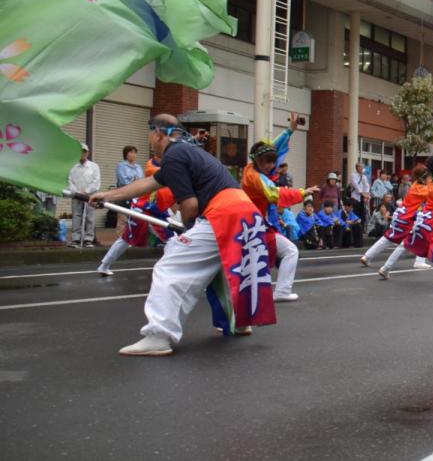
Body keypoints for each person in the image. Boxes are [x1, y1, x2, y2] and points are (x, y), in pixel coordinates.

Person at [87, 114, 276, 356]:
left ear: (158, 133)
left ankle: (159, 335)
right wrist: (108, 196)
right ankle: (239, 322)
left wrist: (189, 229)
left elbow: (190, 205)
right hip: (246, 213)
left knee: (171, 267)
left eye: (150, 134)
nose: (150, 140)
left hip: (223, 214)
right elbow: (148, 184)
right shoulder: (188, 152)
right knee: (221, 268)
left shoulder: (174, 156)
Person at [240, 122, 314, 302]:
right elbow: (274, 193)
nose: (272, 165)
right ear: (257, 159)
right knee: (289, 251)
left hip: (252, 223)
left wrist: (289, 131)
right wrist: (302, 193)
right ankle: (280, 291)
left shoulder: (253, 167)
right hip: (251, 225)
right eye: (268, 162)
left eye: (273, 161)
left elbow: (272, 148)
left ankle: (271, 292)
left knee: (252, 262)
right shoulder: (255, 177)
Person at [97, 158, 176, 277]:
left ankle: (104, 265)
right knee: (171, 240)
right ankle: (168, 271)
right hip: (145, 210)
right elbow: (152, 171)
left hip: (144, 209)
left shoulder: (165, 177)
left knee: (125, 240)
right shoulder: (155, 168)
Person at [362, 164, 430, 270]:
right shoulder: (422, 189)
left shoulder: (414, 185)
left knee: (389, 237)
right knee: (422, 234)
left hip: (400, 214)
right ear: (424, 178)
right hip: (408, 217)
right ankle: (418, 261)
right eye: (428, 176)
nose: (430, 178)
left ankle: (367, 256)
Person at [67, 143, 101, 247]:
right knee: (76, 216)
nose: (82, 153)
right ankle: (76, 239)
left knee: (90, 217)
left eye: (84, 151)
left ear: (88, 153)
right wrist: (76, 192)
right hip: (76, 195)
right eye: (81, 151)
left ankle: (88, 239)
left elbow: (96, 182)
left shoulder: (94, 166)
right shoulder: (73, 166)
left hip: (90, 195)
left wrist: (86, 191)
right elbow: (69, 181)